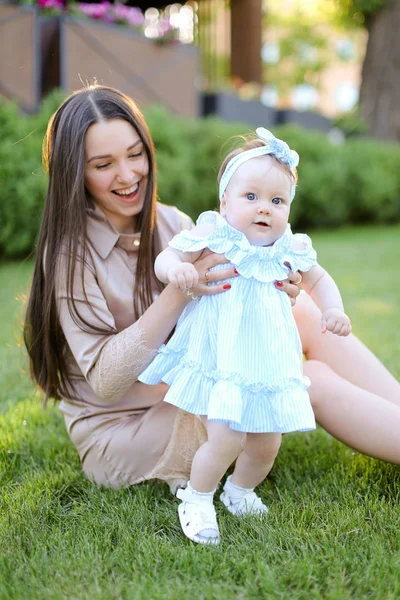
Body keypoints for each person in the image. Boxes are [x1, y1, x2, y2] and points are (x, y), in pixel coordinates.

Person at [24, 84, 400, 513]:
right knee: (306, 377)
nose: (127, 176)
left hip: (192, 383)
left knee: (309, 315)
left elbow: (237, 299)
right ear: (76, 173)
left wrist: (283, 288)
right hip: (128, 428)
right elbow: (107, 383)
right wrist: (180, 290)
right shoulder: (71, 257)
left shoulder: (172, 222)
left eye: (135, 154)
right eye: (103, 164)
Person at [138, 128, 352, 545]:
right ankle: (197, 498)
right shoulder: (216, 234)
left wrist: (333, 308)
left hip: (267, 361)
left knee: (267, 443)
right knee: (227, 437)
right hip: (223, 361)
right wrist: (174, 270)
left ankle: (240, 491)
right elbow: (169, 255)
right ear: (224, 201)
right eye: (250, 197)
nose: (264, 209)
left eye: (277, 201)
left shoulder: (290, 246)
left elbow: (319, 279)